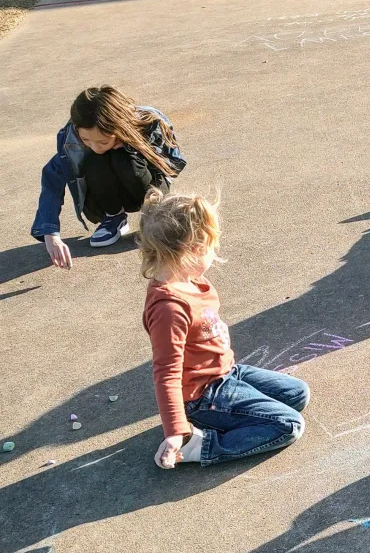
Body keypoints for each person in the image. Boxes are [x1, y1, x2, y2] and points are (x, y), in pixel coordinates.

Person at [138, 190, 308, 469]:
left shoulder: (191, 280)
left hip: (226, 374)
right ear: (191, 249)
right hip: (203, 396)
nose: (213, 254)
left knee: (297, 394)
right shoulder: (169, 308)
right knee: (288, 424)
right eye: (209, 248)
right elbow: (166, 374)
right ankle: (201, 445)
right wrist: (174, 431)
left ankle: (221, 421)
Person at [31, 86, 185, 269]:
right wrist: (51, 235)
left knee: (125, 160)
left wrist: (133, 149)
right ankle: (114, 217)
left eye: (104, 141)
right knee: (95, 160)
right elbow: (51, 182)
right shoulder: (71, 142)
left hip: (146, 188)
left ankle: (157, 216)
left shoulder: (147, 122)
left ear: (119, 128)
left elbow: (175, 162)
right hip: (106, 197)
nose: (95, 146)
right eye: (86, 140)